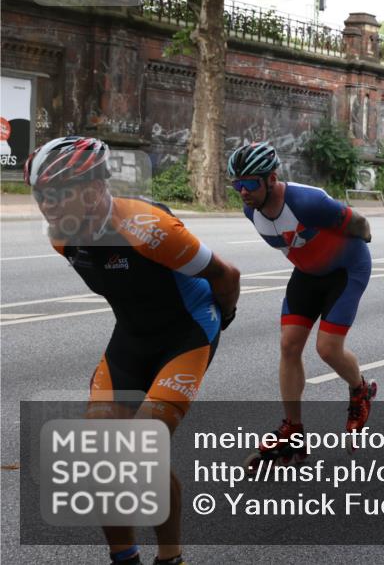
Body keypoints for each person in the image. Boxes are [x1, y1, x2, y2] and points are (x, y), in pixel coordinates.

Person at [25, 136, 241, 565]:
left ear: (91, 190)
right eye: (39, 195)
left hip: (186, 337)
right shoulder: (60, 237)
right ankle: (124, 558)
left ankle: (171, 556)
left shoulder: (148, 228)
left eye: (55, 194)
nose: (46, 205)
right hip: (132, 338)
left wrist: (221, 322)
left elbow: (227, 275)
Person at [229, 142, 375, 465]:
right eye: (237, 184)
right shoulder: (250, 210)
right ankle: (293, 431)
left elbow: (361, 226)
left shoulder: (307, 201)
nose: (242, 192)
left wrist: (343, 249)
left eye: (249, 184)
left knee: (327, 348)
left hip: (345, 270)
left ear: (271, 178)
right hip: (308, 274)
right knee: (289, 346)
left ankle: (361, 389)